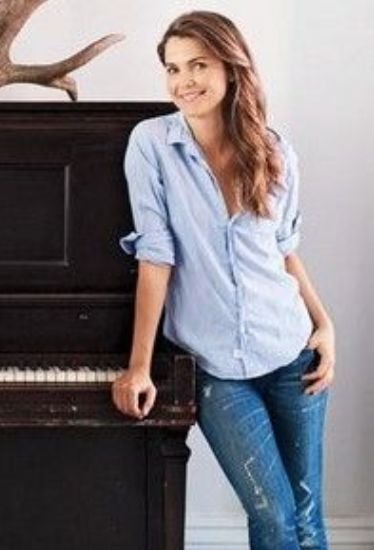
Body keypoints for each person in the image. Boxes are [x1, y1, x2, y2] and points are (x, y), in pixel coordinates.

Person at [111, 11, 336, 550]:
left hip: (291, 350)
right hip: (215, 368)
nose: (184, 81)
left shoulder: (275, 150)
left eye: (198, 65)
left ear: (231, 69)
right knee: (274, 514)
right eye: (173, 68)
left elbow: (284, 253)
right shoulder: (152, 145)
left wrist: (325, 325)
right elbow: (155, 258)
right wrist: (138, 366)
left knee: (308, 516)